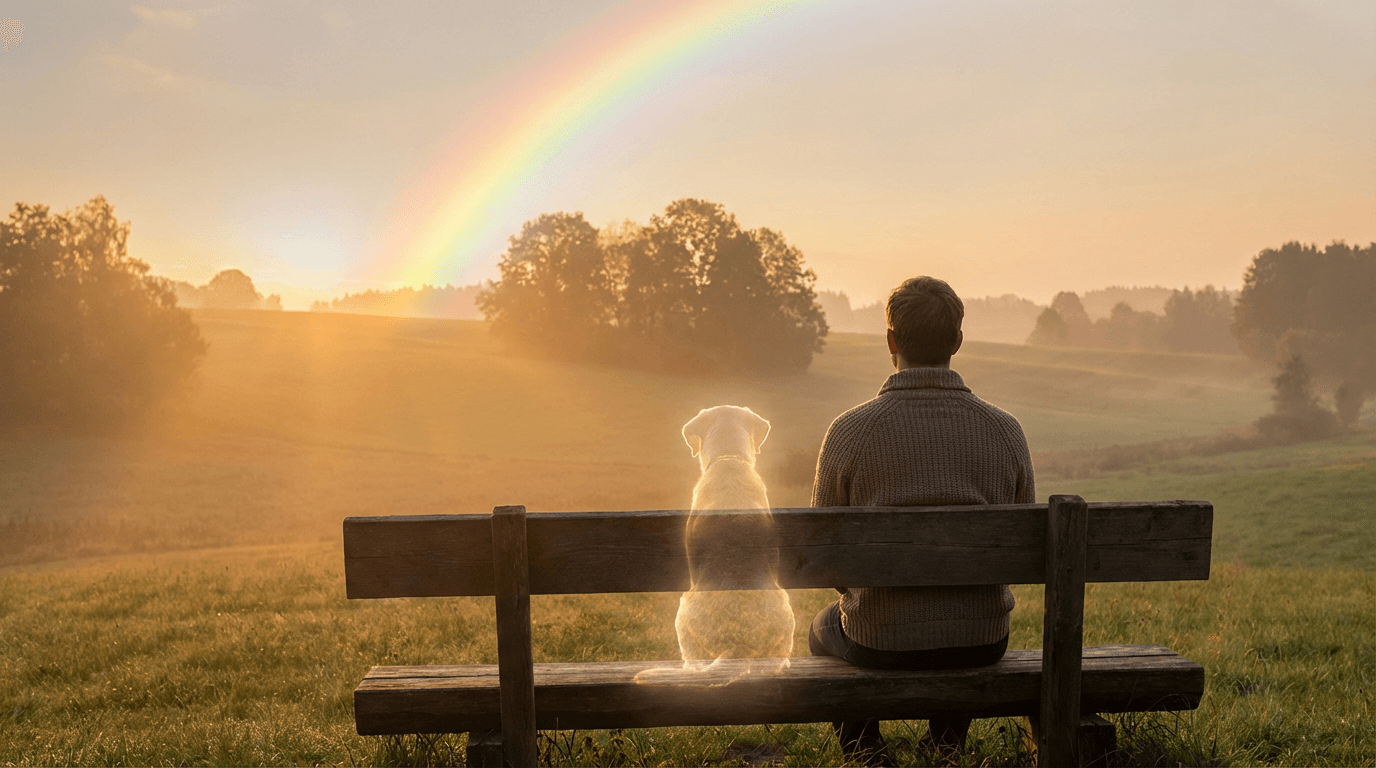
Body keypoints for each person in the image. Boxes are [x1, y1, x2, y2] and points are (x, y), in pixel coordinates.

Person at [809, 276, 1035, 765]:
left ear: (891, 341)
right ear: (957, 341)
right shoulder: (1005, 431)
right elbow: (1017, 558)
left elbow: (827, 558)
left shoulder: (849, 433)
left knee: (820, 627)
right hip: (981, 640)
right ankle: (946, 745)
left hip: (880, 639)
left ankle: (865, 750)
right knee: (957, 624)